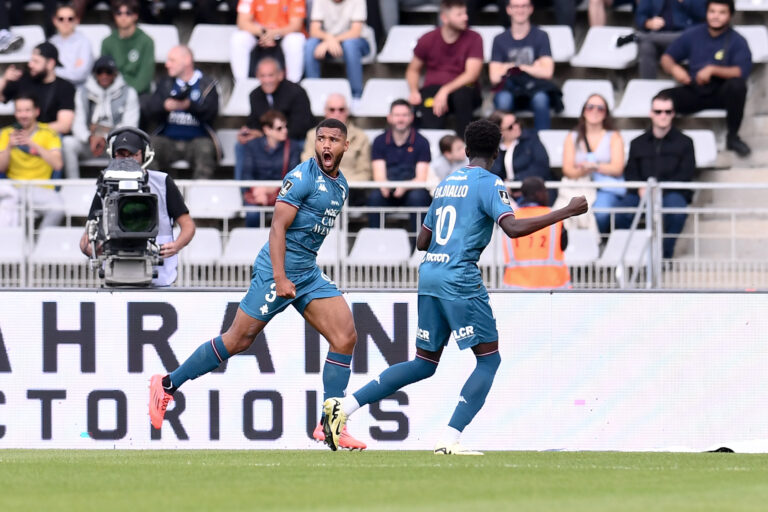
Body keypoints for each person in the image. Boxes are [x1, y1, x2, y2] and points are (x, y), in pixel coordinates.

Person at [320, 119, 588, 454]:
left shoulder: (447, 183)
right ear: (497, 150)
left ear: (465, 149)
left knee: (423, 363)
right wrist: (566, 211)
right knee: (489, 360)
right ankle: (449, 438)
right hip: (459, 277)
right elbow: (514, 229)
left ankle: (342, 409)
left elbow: (422, 241)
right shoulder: (490, 183)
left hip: (430, 273)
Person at [149, 118, 367, 451]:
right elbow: (277, 228)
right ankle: (166, 384)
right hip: (275, 271)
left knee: (345, 336)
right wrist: (279, 277)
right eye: (321, 138)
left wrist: (295, 274)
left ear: (345, 146)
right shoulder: (300, 178)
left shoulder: (341, 186)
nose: (326, 145)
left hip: (306, 272)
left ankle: (329, 424)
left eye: (333, 140)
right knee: (238, 340)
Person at [79, 127, 195, 286]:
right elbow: (87, 235)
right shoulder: (105, 185)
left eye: (133, 154)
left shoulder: (162, 182)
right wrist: (91, 248)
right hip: (116, 274)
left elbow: (188, 225)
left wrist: (176, 245)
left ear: (145, 154)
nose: (127, 160)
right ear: (113, 154)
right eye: (121, 154)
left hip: (159, 276)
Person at [660, 0, 752, 157]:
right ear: (706, 13)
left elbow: (740, 71)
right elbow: (666, 58)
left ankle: (733, 137)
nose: (716, 16)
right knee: (662, 99)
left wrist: (713, 70)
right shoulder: (693, 34)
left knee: (737, 86)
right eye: (712, 11)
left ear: (730, 16)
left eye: (722, 12)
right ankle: (664, 139)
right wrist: (675, 70)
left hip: (721, 92)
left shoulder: (738, 40)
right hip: (695, 88)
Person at [615, 92, 696, 259]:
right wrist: (641, 188)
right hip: (641, 193)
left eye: (667, 111)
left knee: (677, 211)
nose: (663, 115)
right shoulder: (637, 143)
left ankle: (664, 256)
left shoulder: (685, 142)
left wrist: (658, 190)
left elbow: (686, 173)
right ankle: (633, 257)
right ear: (651, 113)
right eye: (658, 111)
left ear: (673, 113)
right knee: (621, 212)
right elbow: (630, 172)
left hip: (670, 192)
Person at [406, 0, 483, 137]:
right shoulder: (428, 39)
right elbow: (413, 69)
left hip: (465, 89)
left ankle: (464, 146)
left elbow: (472, 74)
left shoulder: (474, 38)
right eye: (459, 14)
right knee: (429, 101)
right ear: (444, 18)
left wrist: (445, 90)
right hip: (434, 91)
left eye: (465, 13)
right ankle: (433, 148)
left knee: (462, 95)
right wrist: (413, 91)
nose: (465, 17)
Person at [144, 46, 221, 180]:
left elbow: (211, 114)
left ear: (187, 60)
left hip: (197, 140)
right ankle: (158, 194)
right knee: (148, 150)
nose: (167, 65)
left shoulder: (207, 84)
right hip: (168, 140)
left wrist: (189, 106)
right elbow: (150, 111)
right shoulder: (165, 83)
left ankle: (199, 197)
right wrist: (164, 106)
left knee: (205, 150)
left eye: (172, 60)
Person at [235, 57, 313, 183]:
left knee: (300, 145)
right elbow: (254, 123)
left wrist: (272, 134)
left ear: (280, 75)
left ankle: (293, 192)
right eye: (263, 76)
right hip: (269, 138)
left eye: (270, 75)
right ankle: (245, 192)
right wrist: (248, 133)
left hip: (294, 138)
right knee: (241, 146)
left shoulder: (297, 92)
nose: (267, 80)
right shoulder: (254, 95)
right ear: (257, 76)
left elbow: (302, 126)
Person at [64, 55, 140, 179]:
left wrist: (105, 137)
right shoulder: (82, 92)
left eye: (108, 72)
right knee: (68, 143)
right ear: (95, 74)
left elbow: (130, 127)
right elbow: (78, 123)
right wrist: (90, 138)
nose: (104, 76)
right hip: (89, 143)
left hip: (115, 144)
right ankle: (74, 183)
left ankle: (120, 187)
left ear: (115, 73)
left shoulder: (129, 93)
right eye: (100, 72)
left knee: (130, 145)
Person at [489, 0, 558, 131]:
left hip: (534, 88)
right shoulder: (499, 39)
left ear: (531, 9)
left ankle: (542, 144)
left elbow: (547, 72)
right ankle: (501, 144)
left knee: (541, 99)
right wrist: (534, 67)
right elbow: (494, 77)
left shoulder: (541, 36)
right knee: (503, 99)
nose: (520, 10)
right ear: (508, 9)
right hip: (509, 89)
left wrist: (516, 67)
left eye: (524, 6)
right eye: (515, 6)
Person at [561, 94, 624, 234]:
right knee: (567, 212)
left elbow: (618, 168)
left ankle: (598, 242)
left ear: (606, 113)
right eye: (590, 107)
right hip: (581, 184)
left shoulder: (614, 136)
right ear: (584, 111)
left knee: (601, 212)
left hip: (606, 187)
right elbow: (567, 170)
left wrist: (595, 167)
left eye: (600, 108)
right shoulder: (572, 136)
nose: (594, 111)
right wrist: (584, 170)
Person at [367, 99, 432, 236]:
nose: (400, 119)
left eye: (405, 115)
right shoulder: (379, 140)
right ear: (389, 117)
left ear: (411, 118)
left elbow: (421, 178)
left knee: (418, 198)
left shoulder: (422, 142)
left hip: (411, 189)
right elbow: (379, 175)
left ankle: (419, 246)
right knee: (375, 198)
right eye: (397, 115)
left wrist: (403, 187)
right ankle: (375, 242)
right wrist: (385, 187)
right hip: (388, 188)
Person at [0, 94, 64, 228]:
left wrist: (32, 144)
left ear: (37, 111)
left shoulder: (49, 133)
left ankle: (40, 245)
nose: (23, 115)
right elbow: (1, 168)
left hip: (40, 187)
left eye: (27, 110)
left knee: (58, 209)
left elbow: (57, 164)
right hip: (14, 187)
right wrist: (8, 147)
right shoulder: (6, 133)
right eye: (19, 110)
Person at [300, 93, 371, 206]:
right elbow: (307, 166)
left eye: (341, 109)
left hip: (351, 190)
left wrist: (339, 183)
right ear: (325, 111)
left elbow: (365, 172)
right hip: (319, 188)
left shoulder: (361, 137)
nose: (337, 113)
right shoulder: (312, 135)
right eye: (332, 109)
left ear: (347, 111)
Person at [501, 176, 570, 289]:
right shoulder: (554, 218)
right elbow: (564, 245)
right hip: (552, 290)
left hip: (516, 290)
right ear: (538, 194)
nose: (547, 195)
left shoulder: (510, 218)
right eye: (545, 191)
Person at [0, 42, 76, 138]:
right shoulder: (23, 79)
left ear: (50, 64)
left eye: (36, 61)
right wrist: (5, 79)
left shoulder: (65, 87)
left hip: (50, 136)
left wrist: (33, 131)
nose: (30, 64)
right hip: (22, 135)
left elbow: (64, 125)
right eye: (31, 60)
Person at [241, 110, 302, 227]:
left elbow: (294, 176)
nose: (285, 131)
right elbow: (246, 174)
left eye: (285, 126)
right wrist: (257, 191)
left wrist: (268, 189)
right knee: (252, 215)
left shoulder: (293, 147)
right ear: (267, 130)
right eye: (279, 128)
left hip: (283, 194)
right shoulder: (252, 146)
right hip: (257, 193)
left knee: (292, 215)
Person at [304, 0, 370, 108]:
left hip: (357, 42)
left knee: (350, 45)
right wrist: (329, 39)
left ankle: (356, 95)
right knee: (310, 44)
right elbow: (313, 30)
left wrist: (332, 40)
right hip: (329, 42)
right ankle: (312, 92)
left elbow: (355, 32)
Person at [229, 0, 307, 82]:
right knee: (238, 38)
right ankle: (241, 83)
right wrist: (265, 33)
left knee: (296, 40)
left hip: (284, 34)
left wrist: (274, 33)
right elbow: (242, 22)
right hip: (259, 33)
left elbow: (296, 25)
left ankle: (293, 83)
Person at [488, 110, 555, 205]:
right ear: (500, 132)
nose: (516, 127)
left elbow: (541, 166)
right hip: (504, 194)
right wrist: (503, 186)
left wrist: (515, 183)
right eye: (510, 127)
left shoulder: (531, 139)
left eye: (516, 122)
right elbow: (491, 173)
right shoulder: (494, 148)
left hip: (532, 193)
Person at [634, 0, 706, 79]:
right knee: (646, 46)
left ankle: (639, 37)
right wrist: (648, 23)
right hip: (658, 36)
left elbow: (704, 14)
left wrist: (685, 2)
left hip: (685, 35)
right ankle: (648, 87)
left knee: (645, 39)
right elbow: (640, 16)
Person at [101, 0, 156, 96]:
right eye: (119, 13)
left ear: (135, 15)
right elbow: (104, 75)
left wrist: (126, 95)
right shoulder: (107, 42)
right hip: (113, 94)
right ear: (114, 16)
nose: (123, 17)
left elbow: (144, 78)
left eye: (128, 13)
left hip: (139, 94)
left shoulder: (146, 42)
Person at [50, 3, 94, 87]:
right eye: (61, 19)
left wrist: (53, 71)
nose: (65, 22)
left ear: (77, 20)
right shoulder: (51, 42)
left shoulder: (84, 42)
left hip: (78, 90)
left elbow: (80, 74)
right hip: (53, 88)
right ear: (55, 21)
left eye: (70, 19)